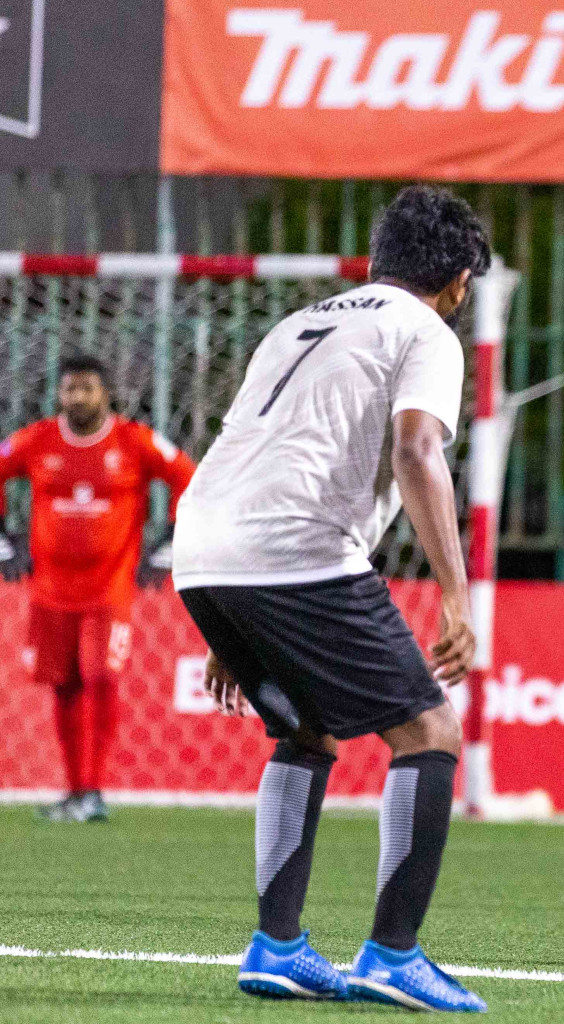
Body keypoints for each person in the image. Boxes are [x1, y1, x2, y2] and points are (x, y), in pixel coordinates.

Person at [171, 186, 490, 1011]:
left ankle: (278, 945)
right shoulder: (423, 331)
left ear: (378, 260)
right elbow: (418, 450)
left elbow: (251, 444)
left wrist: (231, 619)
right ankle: (392, 953)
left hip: (204, 548)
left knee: (303, 728)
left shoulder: (299, 324)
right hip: (295, 549)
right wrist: (456, 596)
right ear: (458, 281)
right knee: (430, 730)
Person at [0, 353, 196, 823]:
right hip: (49, 590)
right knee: (64, 686)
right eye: (70, 388)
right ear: (59, 393)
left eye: (87, 388)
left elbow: (187, 477)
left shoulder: (134, 440)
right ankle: (76, 793)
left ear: (105, 393)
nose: (78, 397)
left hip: (108, 588)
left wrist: (168, 546)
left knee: (101, 677)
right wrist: (4, 539)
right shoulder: (37, 439)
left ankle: (95, 789)